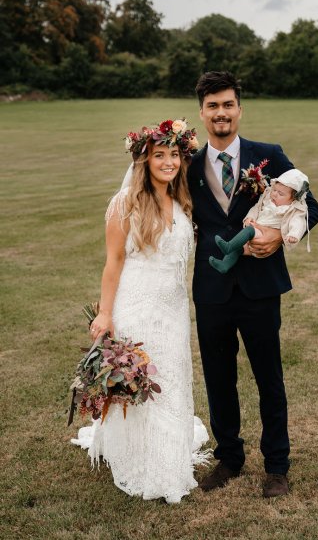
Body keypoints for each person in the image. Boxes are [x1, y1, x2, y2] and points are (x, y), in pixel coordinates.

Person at [187, 72, 318, 498]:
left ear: (239, 109)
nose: (221, 113)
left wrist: (279, 237)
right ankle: (229, 457)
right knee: (218, 378)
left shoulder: (269, 155)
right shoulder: (187, 165)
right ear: (203, 112)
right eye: (213, 106)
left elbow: (310, 205)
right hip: (212, 287)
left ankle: (277, 466)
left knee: (269, 378)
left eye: (228, 104)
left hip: (260, 288)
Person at [71, 119, 209, 504]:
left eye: (175, 155)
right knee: (141, 383)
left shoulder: (183, 201)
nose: (168, 162)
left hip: (174, 308)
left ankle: (169, 456)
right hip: (137, 304)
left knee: (172, 378)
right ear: (144, 160)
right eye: (159, 155)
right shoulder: (125, 203)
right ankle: (137, 459)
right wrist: (106, 313)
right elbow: (113, 262)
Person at [209, 168, 311, 274]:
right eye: (274, 190)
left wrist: (294, 234)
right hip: (256, 234)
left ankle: (229, 246)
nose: (275, 194)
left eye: (280, 194)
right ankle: (224, 265)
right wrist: (250, 218)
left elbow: (298, 222)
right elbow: (256, 209)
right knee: (238, 249)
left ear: (294, 198)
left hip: (266, 237)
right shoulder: (268, 200)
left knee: (249, 230)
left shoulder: (293, 209)